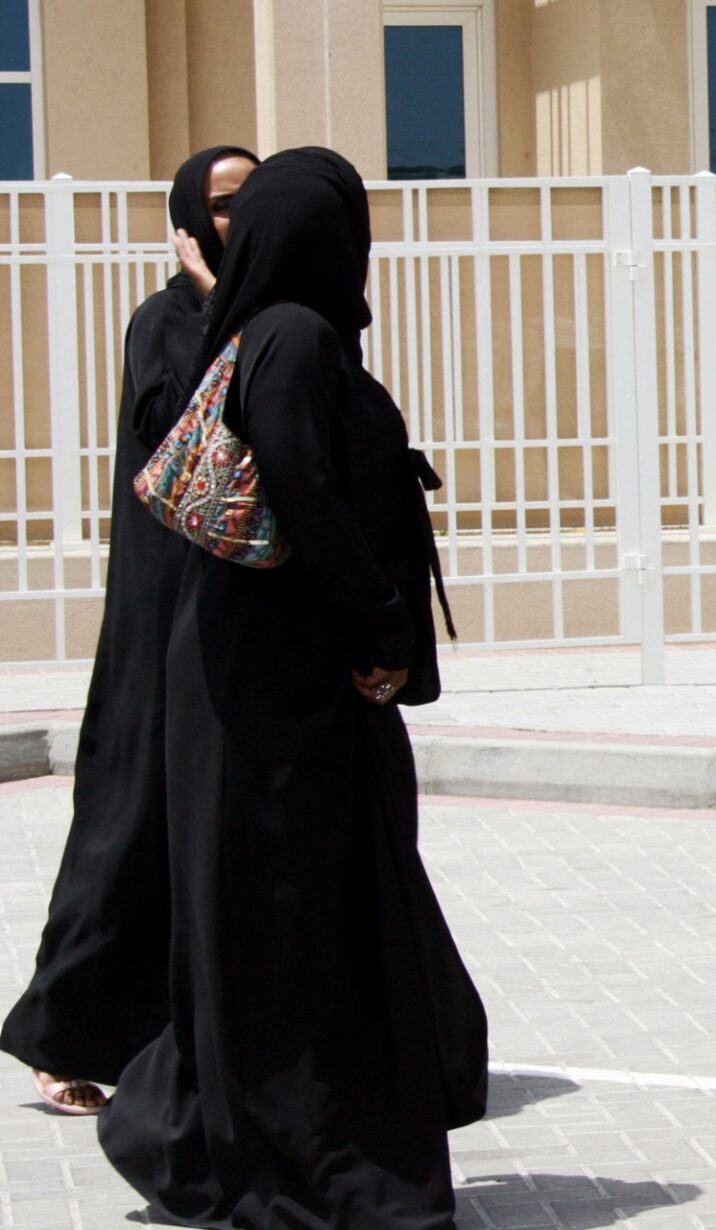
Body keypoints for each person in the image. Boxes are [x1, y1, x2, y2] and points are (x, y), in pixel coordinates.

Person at [97, 148, 488, 1229]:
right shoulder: (298, 341)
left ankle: (200, 1131)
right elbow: (306, 490)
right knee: (290, 921)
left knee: (287, 918)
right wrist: (376, 621)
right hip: (279, 693)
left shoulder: (263, 335)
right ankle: (293, 1152)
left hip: (260, 680)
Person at [0, 146, 256, 1115]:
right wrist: (208, 303)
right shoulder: (167, 318)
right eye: (227, 206)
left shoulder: (274, 318)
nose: (244, 221)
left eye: (255, 204)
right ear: (191, 219)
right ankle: (60, 1033)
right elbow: (178, 420)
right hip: (164, 603)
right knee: (131, 818)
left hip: (235, 605)